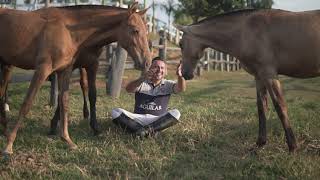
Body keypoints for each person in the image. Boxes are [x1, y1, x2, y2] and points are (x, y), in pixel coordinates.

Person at [111, 57, 186, 137]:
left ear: (166, 72)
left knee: (176, 113)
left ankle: (140, 132)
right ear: (150, 69)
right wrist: (143, 78)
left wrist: (180, 76)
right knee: (115, 112)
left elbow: (181, 89)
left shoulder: (168, 84)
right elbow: (129, 89)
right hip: (138, 119)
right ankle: (150, 132)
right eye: (156, 67)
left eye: (162, 68)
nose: (159, 70)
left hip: (158, 120)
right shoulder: (142, 83)